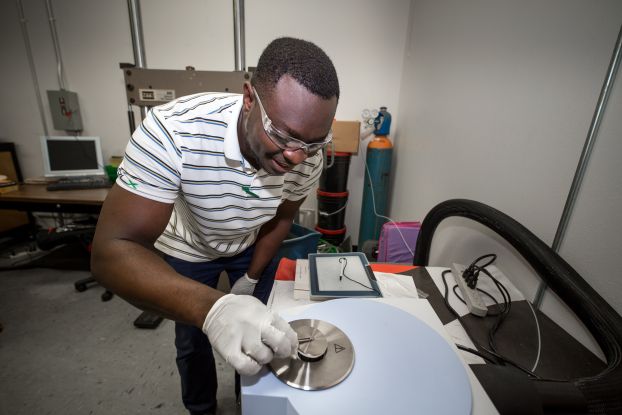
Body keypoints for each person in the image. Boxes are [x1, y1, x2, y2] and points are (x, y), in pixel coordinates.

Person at [91, 37, 339, 415]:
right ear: (249, 99)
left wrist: (252, 277)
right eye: (283, 135)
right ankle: (201, 408)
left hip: (250, 245)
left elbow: (283, 217)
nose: (296, 156)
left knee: (263, 334)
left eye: (313, 143)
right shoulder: (173, 131)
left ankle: (248, 401)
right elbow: (113, 251)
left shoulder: (305, 154)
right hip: (188, 249)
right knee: (193, 340)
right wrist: (212, 309)